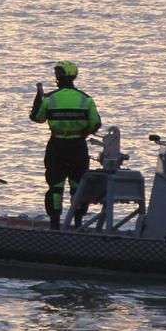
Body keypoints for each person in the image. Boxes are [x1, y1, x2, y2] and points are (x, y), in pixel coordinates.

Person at [28, 60, 101, 229]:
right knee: (78, 186)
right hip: (78, 146)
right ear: (74, 76)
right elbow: (96, 124)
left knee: (55, 185)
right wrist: (84, 132)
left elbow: (37, 118)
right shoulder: (86, 100)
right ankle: (78, 224)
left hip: (57, 145)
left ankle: (55, 225)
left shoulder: (50, 98)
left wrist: (38, 98)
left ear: (57, 77)